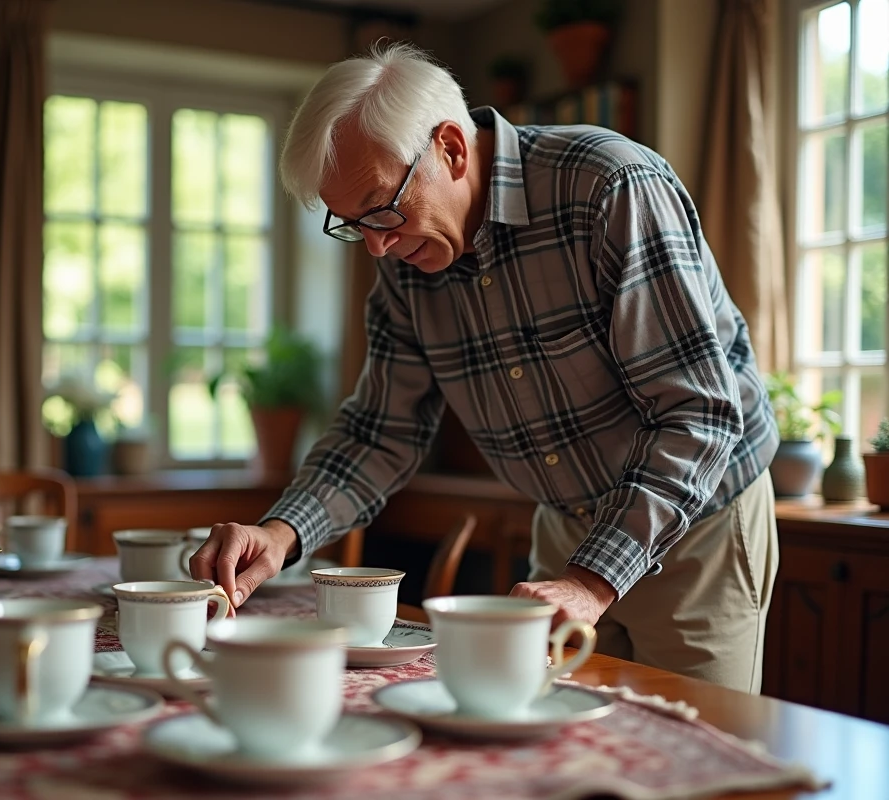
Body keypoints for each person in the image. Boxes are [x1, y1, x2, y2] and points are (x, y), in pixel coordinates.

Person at [189, 43, 779, 693]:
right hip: (567, 527)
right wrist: (280, 532)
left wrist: (591, 580)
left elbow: (698, 411)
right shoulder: (407, 275)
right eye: (354, 226)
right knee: (561, 750)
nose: (379, 248)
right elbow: (379, 433)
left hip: (698, 531)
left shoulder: (609, 186)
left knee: (693, 755)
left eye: (383, 208)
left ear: (451, 147)